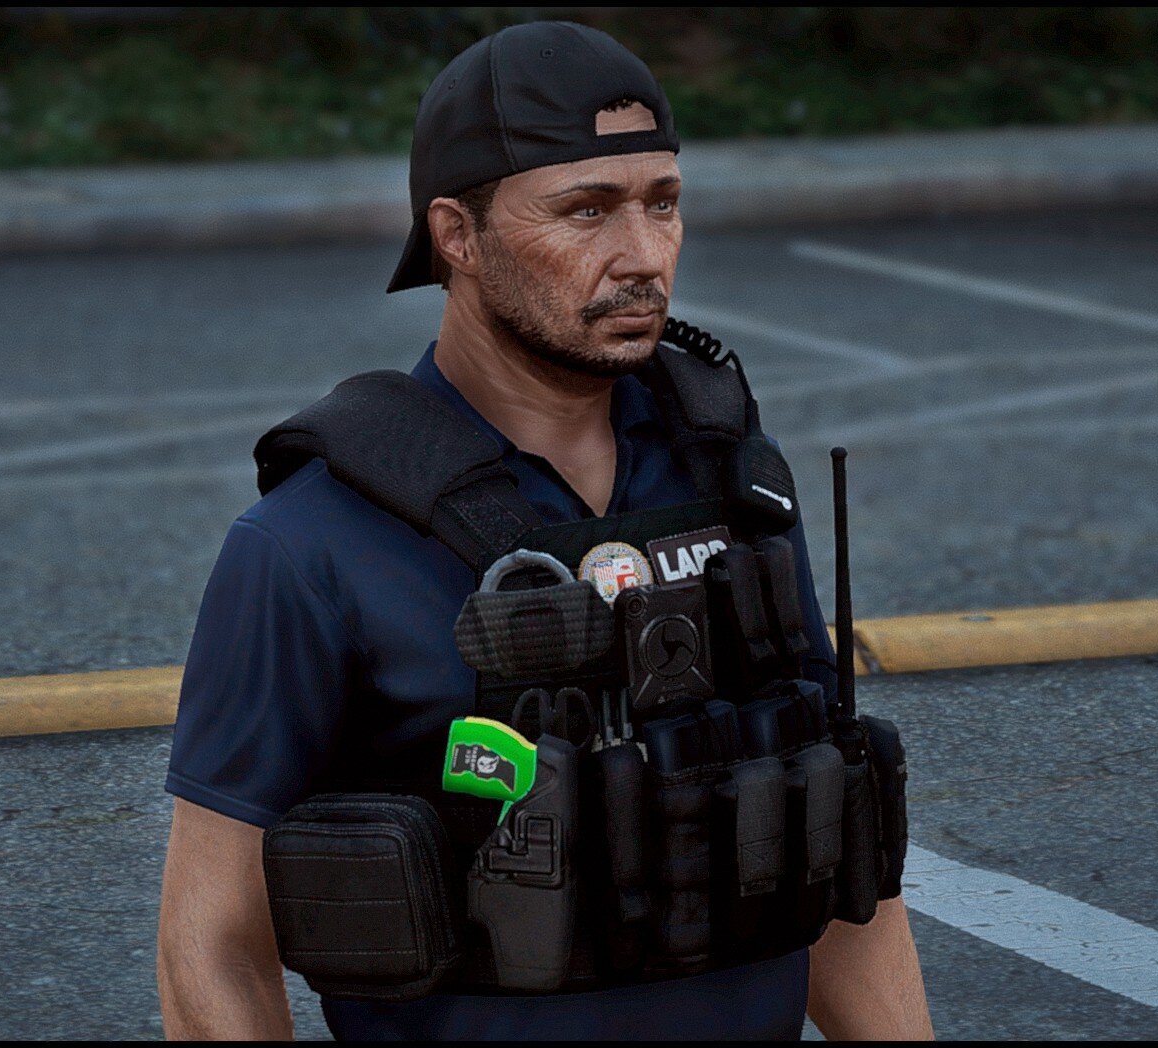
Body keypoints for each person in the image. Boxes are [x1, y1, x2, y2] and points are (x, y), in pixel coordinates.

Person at [156, 20, 933, 1041]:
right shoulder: (312, 541)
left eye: (663, 202)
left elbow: (826, 839)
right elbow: (211, 944)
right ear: (456, 236)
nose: (643, 256)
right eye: (586, 210)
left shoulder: (732, 480)